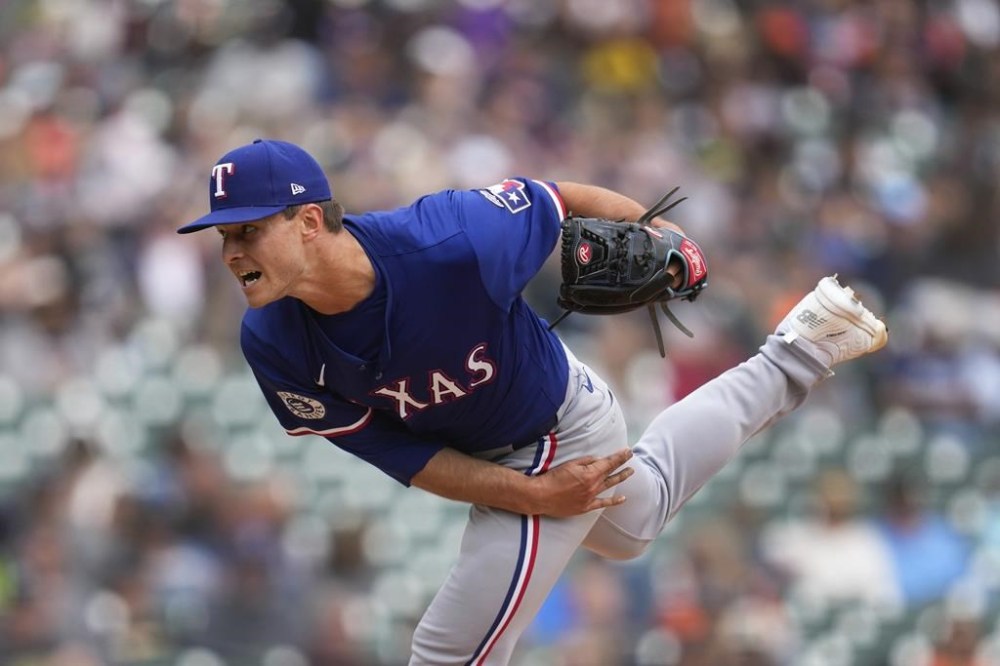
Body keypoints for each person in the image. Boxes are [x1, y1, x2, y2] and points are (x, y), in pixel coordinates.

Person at [178, 138, 889, 665]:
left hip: (554, 423)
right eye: (223, 236)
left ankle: (797, 349)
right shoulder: (271, 341)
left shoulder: (450, 242)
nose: (231, 251)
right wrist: (530, 495)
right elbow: (401, 455)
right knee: (636, 523)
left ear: (307, 221)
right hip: (503, 456)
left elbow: (558, 197)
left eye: (248, 230)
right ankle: (803, 345)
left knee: (445, 654)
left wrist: (660, 232)